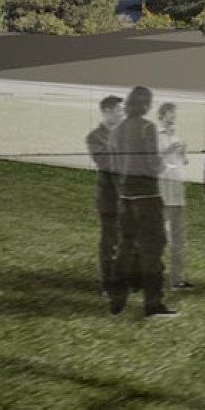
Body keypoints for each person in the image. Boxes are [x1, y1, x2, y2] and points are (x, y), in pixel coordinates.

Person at [110, 86, 177, 319]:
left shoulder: (118, 129)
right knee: (153, 251)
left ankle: (116, 300)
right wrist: (165, 161)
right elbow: (153, 164)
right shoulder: (148, 128)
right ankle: (153, 305)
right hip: (147, 197)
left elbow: (115, 164)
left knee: (125, 249)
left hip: (125, 197)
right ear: (147, 105)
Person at [84, 95, 126, 297]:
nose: (123, 113)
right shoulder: (95, 137)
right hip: (109, 200)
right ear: (107, 111)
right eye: (119, 110)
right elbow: (106, 163)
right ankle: (108, 285)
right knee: (110, 242)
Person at [156, 102, 191, 291]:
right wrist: (168, 150)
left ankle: (177, 280)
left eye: (175, 113)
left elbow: (183, 162)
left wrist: (183, 152)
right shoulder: (155, 136)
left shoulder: (176, 136)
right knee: (159, 236)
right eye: (171, 113)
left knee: (178, 237)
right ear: (162, 115)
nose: (174, 116)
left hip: (178, 192)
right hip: (163, 192)